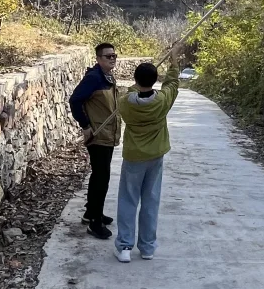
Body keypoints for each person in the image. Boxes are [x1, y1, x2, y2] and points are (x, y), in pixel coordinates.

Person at [114, 56, 180, 263]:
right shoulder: (162, 101)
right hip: (155, 156)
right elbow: (172, 84)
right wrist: (174, 61)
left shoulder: (125, 103)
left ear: (135, 79)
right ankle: (147, 248)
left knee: (128, 199)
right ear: (155, 80)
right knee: (151, 200)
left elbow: (132, 92)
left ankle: (125, 247)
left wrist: (137, 85)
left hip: (134, 156)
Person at [68, 42, 121, 240]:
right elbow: (75, 100)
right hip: (98, 135)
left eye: (114, 55)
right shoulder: (93, 78)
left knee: (100, 175)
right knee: (101, 177)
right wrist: (85, 126)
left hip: (108, 134)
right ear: (98, 58)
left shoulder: (107, 77)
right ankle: (94, 223)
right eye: (108, 56)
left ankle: (92, 212)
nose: (112, 58)